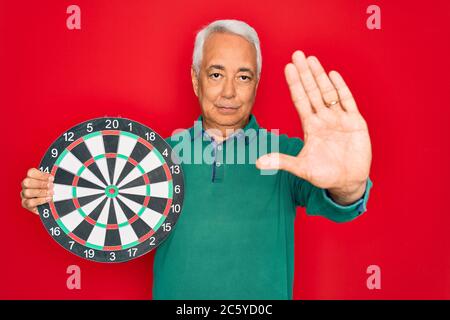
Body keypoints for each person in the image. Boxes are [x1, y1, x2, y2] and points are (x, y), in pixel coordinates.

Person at [20, 19, 373, 299]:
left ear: (257, 83)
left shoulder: (292, 156)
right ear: (195, 79)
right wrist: (54, 200)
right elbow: (105, 198)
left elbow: (341, 200)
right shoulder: (151, 157)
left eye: (244, 77)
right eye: (216, 74)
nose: (230, 92)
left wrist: (351, 186)